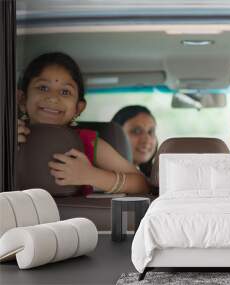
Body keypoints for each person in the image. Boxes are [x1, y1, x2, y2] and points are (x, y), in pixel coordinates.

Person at [17, 52, 149, 195]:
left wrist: (91, 175)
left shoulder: (87, 143)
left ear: (78, 108)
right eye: (43, 88)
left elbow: (142, 184)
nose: (53, 98)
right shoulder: (10, 134)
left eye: (65, 92)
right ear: (23, 99)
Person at [112, 106, 157, 178]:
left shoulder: (158, 177)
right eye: (136, 131)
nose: (147, 140)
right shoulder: (107, 178)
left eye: (150, 132)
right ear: (115, 135)